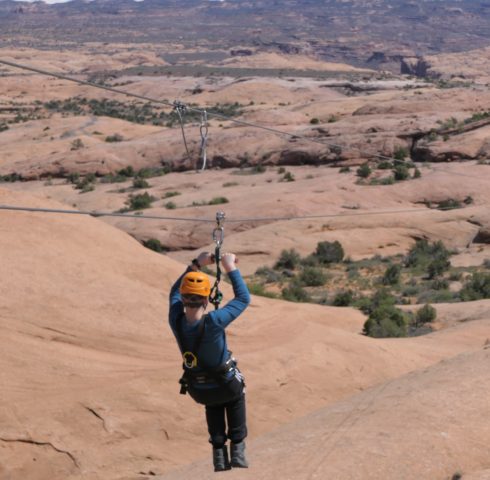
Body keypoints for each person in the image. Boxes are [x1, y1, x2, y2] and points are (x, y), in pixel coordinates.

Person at [168, 251, 251, 471]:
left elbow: (173, 294)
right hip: (226, 384)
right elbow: (243, 298)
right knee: (236, 393)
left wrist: (197, 264)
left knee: (212, 401)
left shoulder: (175, 320)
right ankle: (238, 448)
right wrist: (230, 266)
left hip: (198, 388)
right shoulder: (214, 321)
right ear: (207, 299)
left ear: (184, 298)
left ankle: (218, 454)